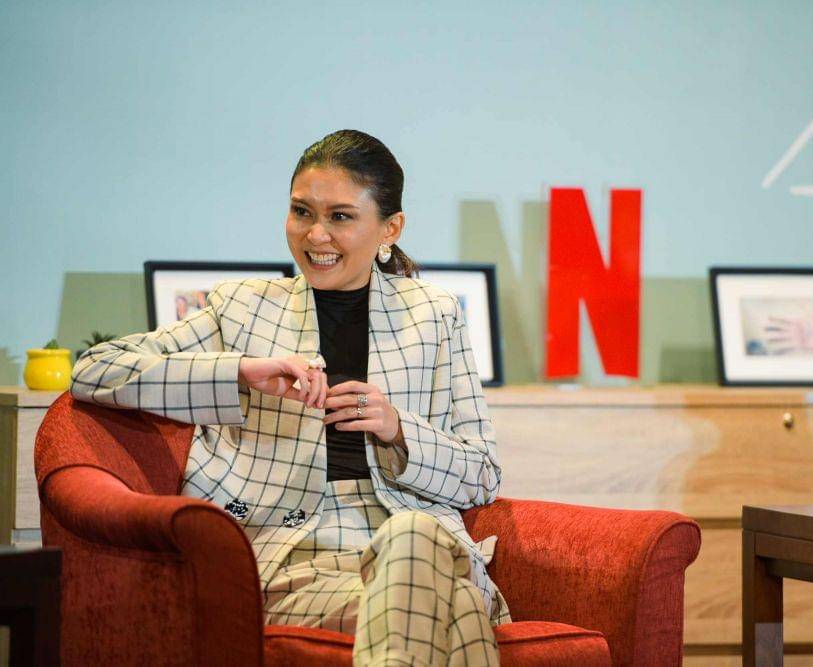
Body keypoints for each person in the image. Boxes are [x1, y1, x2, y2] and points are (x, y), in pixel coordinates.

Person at [71, 129, 509, 666]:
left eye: (340, 216)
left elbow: (482, 474)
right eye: (302, 212)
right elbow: (94, 370)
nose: (316, 234)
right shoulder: (242, 308)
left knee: (413, 540)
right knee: (449, 606)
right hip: (296, 557)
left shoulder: (434, 315)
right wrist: (238, 372)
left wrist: (397, 428)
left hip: (419, 543)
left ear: (390, 228)